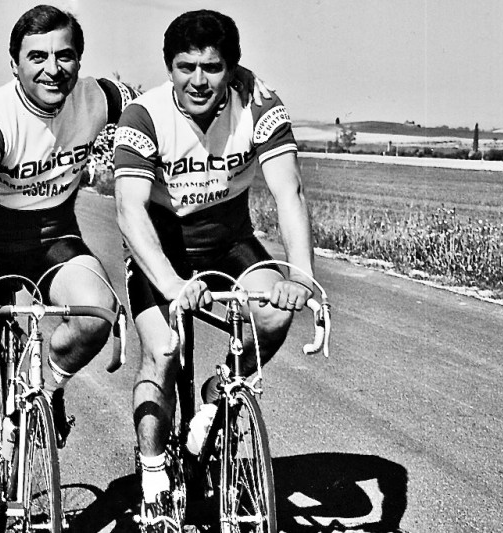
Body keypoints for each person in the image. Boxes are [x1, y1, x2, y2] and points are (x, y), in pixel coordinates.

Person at [0, 5, 139, 533]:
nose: (53, 69)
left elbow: (156, 104)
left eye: (64, 56)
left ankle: (48, 389)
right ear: (14, 64)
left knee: (97, 314)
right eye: (37, 57)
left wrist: (238, 78)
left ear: (79, 62)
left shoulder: (99, 97)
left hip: (54, 237)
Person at [113, 9, 315, 525]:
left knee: (273, 313)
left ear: (232, 68)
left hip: (229, 241)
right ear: (169, 67)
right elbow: (129, 210)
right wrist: (171, 284)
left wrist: (301, 276)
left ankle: (218, 395)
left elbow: (289, 191)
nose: (198, 81)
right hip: (162, 248)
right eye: (186, 67)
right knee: (163, 351)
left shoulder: (259, 103)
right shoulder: (144, 115)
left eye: (212, 67)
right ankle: (154, 477)